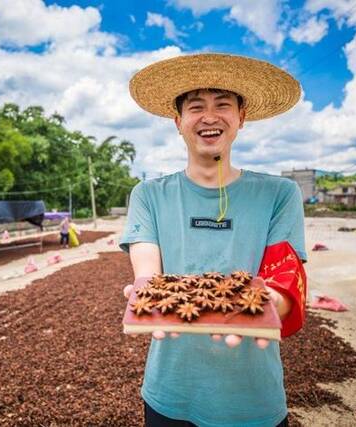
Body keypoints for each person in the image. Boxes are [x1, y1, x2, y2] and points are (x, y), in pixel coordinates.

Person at [120, 53, 307, 426]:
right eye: (195, 107)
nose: (209, 116)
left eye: (223, 105)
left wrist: (270, 306)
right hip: (169, 393)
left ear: (242, 117)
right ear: (177, 122)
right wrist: (145, 292)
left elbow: (285, 282)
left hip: (253, 398)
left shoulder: (280, 194)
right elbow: (148, 275)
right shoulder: (148, 195)